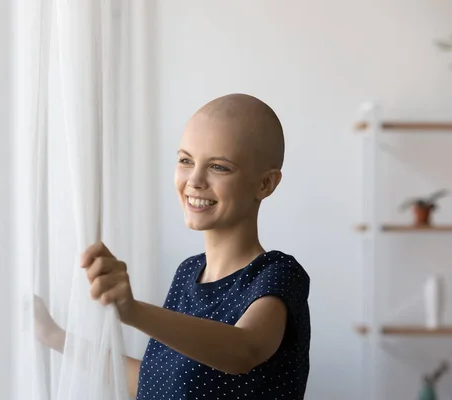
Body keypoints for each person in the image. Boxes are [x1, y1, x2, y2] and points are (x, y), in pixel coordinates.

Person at [34, 93, 311, 399]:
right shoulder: (188, 272)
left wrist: (133, 310)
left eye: (219, 167)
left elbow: (243, 351)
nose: (194, 180)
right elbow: (155, 383)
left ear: (265, 184)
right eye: (185, 160)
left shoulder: (279, 274)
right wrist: (54, 335)